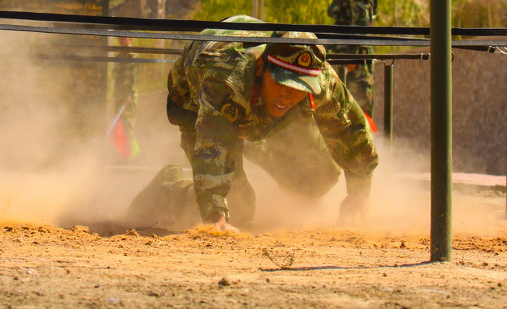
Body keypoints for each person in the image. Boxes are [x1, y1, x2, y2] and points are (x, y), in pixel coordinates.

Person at [127, 15, 378, 231]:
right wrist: (214, 214)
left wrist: (359, 193)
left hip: (255, 106)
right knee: (238, 207)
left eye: (299, 89)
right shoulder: (225, 79)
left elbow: (352, 131)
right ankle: (167, 187)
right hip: (196, 101)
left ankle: (254, 142)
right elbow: (213, 146)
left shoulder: (321, 78)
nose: (287, 96)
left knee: (318, 178)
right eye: (282, 83)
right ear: (261, 68)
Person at [327, 0, 378, 116]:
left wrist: (351, 56)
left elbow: (361, 25)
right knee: (342, 112)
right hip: (344, 57)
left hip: (354, 61)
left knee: (359, 112)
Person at [111, 36, 139, 158]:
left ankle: (132, 154)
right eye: (120, 38)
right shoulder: (119, 56)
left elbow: (131, 78)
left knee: (128, 124)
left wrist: (128, 96)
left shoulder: (131, 56)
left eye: (124, 38)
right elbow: (115, 75)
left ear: (130, 39)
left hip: (128, 96)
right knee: (119, 125)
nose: (121, 40)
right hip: (118, 95)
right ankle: (122, 154)